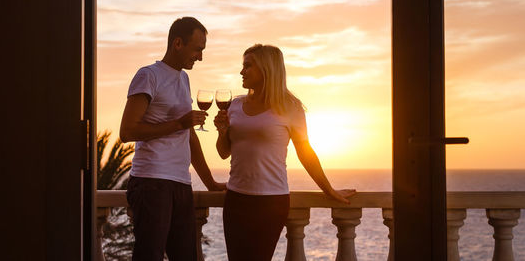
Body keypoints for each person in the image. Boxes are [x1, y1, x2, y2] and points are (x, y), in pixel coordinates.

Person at [213, 44, 357, 261]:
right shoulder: (234, 105)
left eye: (248, 66)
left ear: (266, 69)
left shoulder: (291, 107)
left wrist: (329, 189)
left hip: (271, 201)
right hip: (236, 199)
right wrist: (222, 130)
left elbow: (305, 152)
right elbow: (224, 153)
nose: (241, 71)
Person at [119, 17, 226, 261]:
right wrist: (179, 123)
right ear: (178, 43)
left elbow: (189, 137)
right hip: (151, 182)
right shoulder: (148, 75)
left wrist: (209, 182)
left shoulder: (183, 79)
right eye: (198, 49)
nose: (200, 57)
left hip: (180, 183)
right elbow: (127, 131)